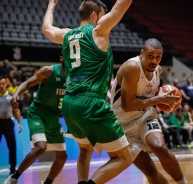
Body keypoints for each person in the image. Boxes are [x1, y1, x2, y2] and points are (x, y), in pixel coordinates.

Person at [41, 0, 133, 183]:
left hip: (68, 104)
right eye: (102, 15)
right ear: (94, 15)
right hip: (91, 102)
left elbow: (46, 29)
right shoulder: (99, 30)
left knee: (85, 150)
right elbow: (124, 3)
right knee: (124, 158)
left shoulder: (67, 35)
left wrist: (52, 4)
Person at [111, 38, 187, 184]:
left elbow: (152, 98)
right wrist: (158, 100)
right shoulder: (132, 67)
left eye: (158, 57)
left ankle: (183, 182)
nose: (154, 60)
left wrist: (168, 100)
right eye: (150, 56)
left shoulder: (157, 70)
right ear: (142, 53)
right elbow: (127, 105)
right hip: (123, 124)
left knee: (159, 146)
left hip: (145, 116)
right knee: (151, 173)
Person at [4, 54, 68, 184]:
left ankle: (47, 182)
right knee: (41, 147)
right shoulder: (48, 71)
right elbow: (27, 83)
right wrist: (16, 94)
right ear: (61, 58)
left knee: (62, 156)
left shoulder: (76, 77)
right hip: (38, 113)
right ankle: (14, 177)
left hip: (54, 117)